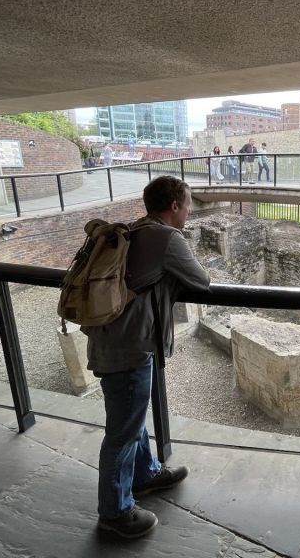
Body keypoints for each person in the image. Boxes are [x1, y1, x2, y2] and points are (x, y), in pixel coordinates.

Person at [83, 176, 211, 539]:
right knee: (121, 433)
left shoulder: (136, 229)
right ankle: (114, 512)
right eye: (187, 205)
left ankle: (145, 474)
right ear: (174, 206)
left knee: (131, 418)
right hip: (129, 348)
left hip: (114, 342)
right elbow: (202, 281)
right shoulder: (167, 238)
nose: (189, 211)